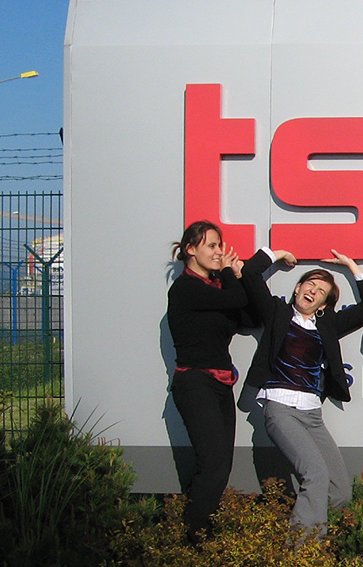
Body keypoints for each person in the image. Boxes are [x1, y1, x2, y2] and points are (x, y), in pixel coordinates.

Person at [240, 246, 363, 535]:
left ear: (323, 305)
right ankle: (303, 553)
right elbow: (250, 273)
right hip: (280, 411)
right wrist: (277, 253)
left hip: (312, 415)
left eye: (321, 291)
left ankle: (306, 533)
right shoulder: (277, 313)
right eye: (309, 285)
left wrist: (352, 265)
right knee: (315, 474)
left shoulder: (326, 325)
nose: (313, 291)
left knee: (340, 492)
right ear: (297, 289)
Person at [166, 220, 249, 543]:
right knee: (212, 464)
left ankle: (200, 531)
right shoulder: (187, 289)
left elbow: (249, 314)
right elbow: (237, 300)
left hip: (220, 384)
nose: (219, 252)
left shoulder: (214, 289)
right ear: (190, 249)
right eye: (212, 246)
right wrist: (231, 273)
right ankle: (195, 540)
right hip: (195, 382)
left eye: (220, 245)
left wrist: (241, 274)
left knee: (221, 465)